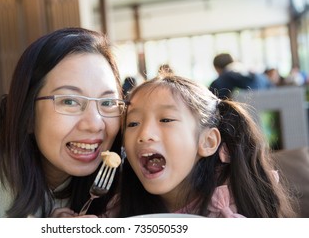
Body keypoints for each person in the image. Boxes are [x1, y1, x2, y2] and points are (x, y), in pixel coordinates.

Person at [0, 27, 126, 218]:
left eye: (107, 102)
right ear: (27, 113)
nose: (94, 124)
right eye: (69, 101)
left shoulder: (125, 166)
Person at [117, 72, 296, 217]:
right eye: (133, 123)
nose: (144, 134)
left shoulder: (231, 207)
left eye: (165, 119)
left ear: (208, 142)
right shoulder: (117, 206)